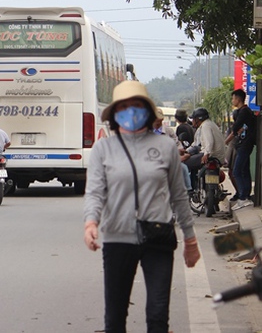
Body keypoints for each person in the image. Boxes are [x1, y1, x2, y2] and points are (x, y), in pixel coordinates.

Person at [83, 80, 200, 333]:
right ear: (114, 113)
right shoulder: (103, 148)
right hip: (117, 238)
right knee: (115, 318)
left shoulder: (165, 147)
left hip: (158, 236)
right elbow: (94, 192)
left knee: (158, 315)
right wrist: (91, 222)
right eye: (124, 106)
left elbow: (179, 196)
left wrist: (190, 240)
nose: (131, 111)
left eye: (137, 105)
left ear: (147, 110)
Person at [181, 107, 226, 193]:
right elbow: (196, 144)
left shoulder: (205, 126)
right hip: (218, 157)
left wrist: (206, 154)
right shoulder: (210, 124)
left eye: (193, 119)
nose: (192, 121)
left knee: (185, 163)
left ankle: (189, 188)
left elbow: (209, 141)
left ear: (198, 119)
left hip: (211, 155)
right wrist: (186, 151)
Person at [225, 89, 256, 210]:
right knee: (244, 170)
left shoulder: (244, 112)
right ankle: (246, 196)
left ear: (238, 99)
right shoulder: (243, 111)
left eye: (233, 98)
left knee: (237, 171)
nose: (232, 101)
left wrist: (225, 142)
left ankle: (243, 197)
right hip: (243, 144)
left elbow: (235, 129)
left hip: (245, 144)